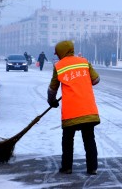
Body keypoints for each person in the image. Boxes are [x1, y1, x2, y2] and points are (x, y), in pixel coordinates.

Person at [47, 40, 100, 175]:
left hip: (71, 111)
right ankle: (92, 168)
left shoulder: (58, 66)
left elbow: (52, 89)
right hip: (88, 109)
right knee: (89, 139)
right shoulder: (84, 61)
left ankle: (67, 167)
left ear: (60, 52)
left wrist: (52, 101)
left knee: (67, 140)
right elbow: (96, 80)